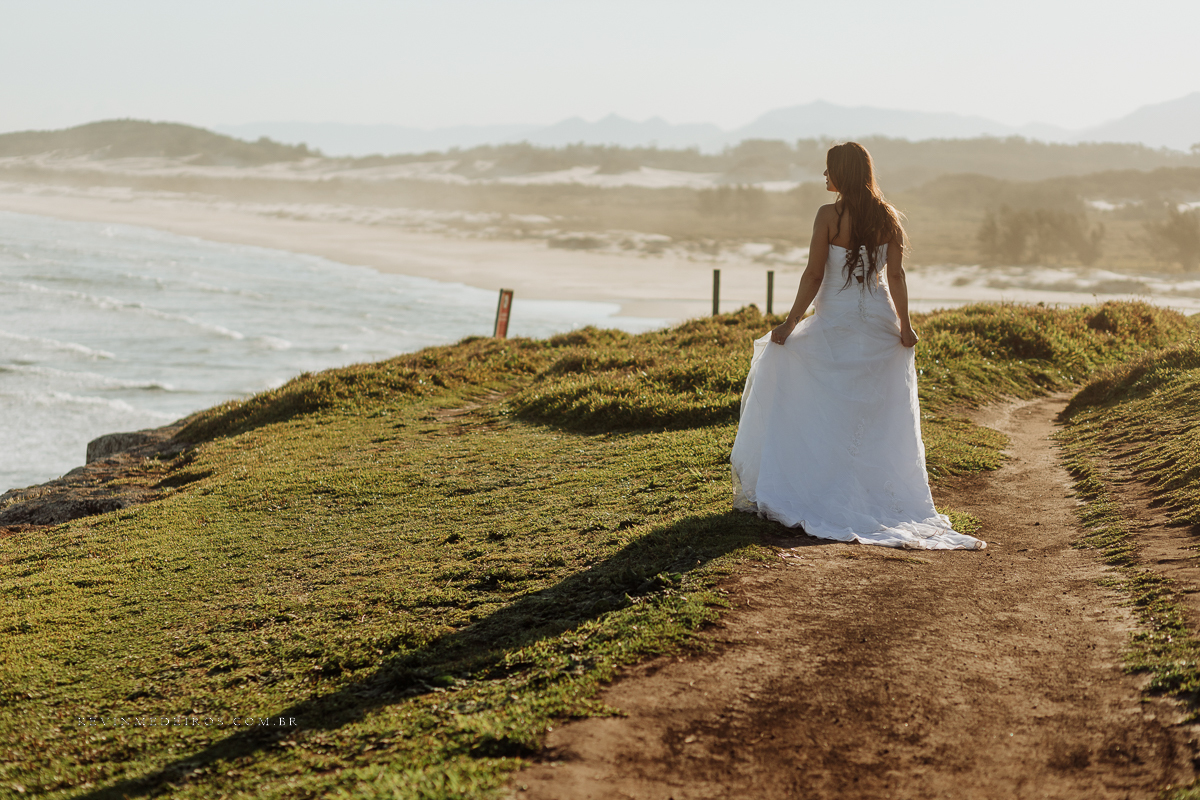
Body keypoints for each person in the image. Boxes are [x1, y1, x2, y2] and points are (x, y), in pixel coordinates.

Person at [730, 142, 985, 550]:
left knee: (802, 381)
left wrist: (790, 323)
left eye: (828, 170)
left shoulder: (828, 215)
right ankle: (865, 489)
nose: (824, 177)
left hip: (836, 323)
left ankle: (816, 485)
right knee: (874, 414)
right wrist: (905, 327)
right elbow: (896, 278)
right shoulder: (888, 217)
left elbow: (814, 274)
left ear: (842, 174)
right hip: (879, 323)